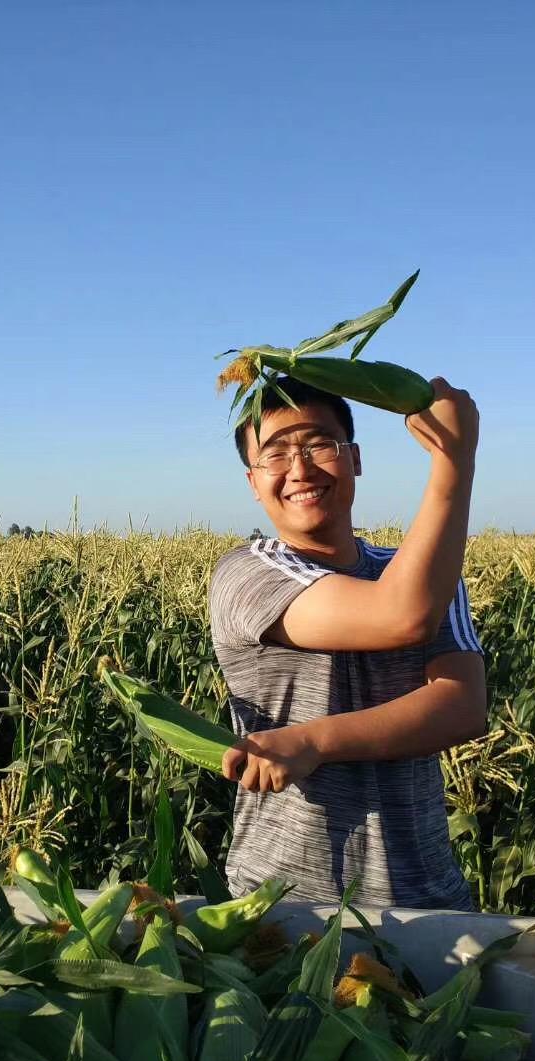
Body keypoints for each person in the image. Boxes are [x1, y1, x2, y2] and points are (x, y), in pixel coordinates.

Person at [208, 373, 486, 911]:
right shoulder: (246, 574)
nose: (300, 469)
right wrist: (454, 459)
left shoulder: (419, 573)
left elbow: (463, 708)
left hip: (427, 893)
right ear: (252, 480)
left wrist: (314, 742)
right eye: (276, 454)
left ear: (355, 458)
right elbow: (400, 616)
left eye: (318, 444)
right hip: (284, 901)